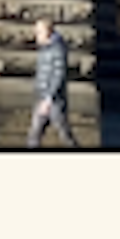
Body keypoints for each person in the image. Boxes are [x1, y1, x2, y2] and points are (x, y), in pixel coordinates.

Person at [28, 19, 73, 148]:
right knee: (34, 135)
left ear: (47, 32)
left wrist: (49, 98)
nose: (36, 35)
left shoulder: (57, 48)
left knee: (65, 136)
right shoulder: (44, 49)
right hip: (42, 98)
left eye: (39, 32)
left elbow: (58, 74)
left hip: (54, 102)